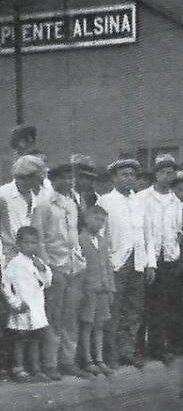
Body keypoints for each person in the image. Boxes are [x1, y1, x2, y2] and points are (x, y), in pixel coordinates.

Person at [31, 164, 89, 379]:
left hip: (75, 265)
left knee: (70, 315)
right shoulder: (44, 205)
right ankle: (50, 363)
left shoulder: (72, 204)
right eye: (64, 178)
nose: (68, 182)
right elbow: (39, 238)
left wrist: (80, 258)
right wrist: (47, 266)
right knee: (54, 316)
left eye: (70, 178)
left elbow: (75, 234)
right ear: (53, 180)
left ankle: (68, 360)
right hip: (56, 265)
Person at [96, 159, 148, 369]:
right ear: (114, 178)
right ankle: (111, 354)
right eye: (123, 174)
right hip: (117, 262)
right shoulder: (106, 202)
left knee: (134, 308)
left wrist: (149, 262)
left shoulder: (139, 202)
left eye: (132, 175)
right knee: (114, 310)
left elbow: (147, 233)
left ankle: (128, 350)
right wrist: (107, 263)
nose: (128, 178)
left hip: (138, 261)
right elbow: (101, 236)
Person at [137, 154, 183, 363]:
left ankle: (165, 345)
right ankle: (147, 347)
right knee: (150, 305)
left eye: (172, 172)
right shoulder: (143, 198)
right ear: (156, 175)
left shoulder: (175, 200)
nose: (169, 176)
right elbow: (142, 231)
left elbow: (177, 229)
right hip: (150, 257)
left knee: (168, 304)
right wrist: (149, 261)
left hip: (170, 257)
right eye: (165, 172)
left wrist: (175, 249)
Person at [1, 227, 58, 382]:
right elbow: (5, 285)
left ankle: (35, 368)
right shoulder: (14, 263)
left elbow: (47, 283)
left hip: (36, 308)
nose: (30, 246)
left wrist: (43, 269)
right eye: (26, 242)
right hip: (22, 308)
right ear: (18, 244)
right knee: (20, 340)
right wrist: (15, 303)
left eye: (34, 243)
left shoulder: (37, 262)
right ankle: (19, 368)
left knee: (35, 339)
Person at [77, 206, 115, 376]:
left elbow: (107, 265)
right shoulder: (80, 239)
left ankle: (99, 359)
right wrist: (82, 289)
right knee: (87, 324)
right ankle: (87, 360)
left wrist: (111, 288)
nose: (99, 224)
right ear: (86, 219)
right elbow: (80, 266)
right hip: (88, 289)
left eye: (102, 220)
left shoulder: (102, 241)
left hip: (103, 289)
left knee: (99, 324)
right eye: (96, 219)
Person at [0, 155, 47, 262]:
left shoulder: (36, 197)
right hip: (6, 257)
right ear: (29, 177)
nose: (39, 182)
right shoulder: (3, 194)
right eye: (37, 178)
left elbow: (37, 232)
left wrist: (43, 260)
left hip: (27, 257)